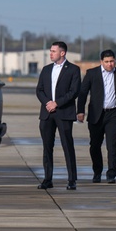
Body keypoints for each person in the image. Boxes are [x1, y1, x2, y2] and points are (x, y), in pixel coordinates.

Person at [77, 50, 116, 184]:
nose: (110, 64)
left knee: (112, 146)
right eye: (107, 62)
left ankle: (111, 174)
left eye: (112, 61)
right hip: (96, 114)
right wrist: (80, 111)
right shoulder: (92, 73)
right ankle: (97, 172)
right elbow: (82, 93)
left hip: (114, 114)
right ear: (101, 62)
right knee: (94, 145)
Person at [36, 41, 81, 190]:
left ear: (62, 53)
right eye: (50, 51)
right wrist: (48, 103)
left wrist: (57, 103)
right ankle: (48, 179)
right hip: (47, 114)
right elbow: (39, 90)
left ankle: (72, 179)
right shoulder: (46, 69)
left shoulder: (73, 70)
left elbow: (74, 92)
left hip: (63, 113)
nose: (51, 54)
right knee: (47, 147)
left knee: (67, 146)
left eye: (54, 51)